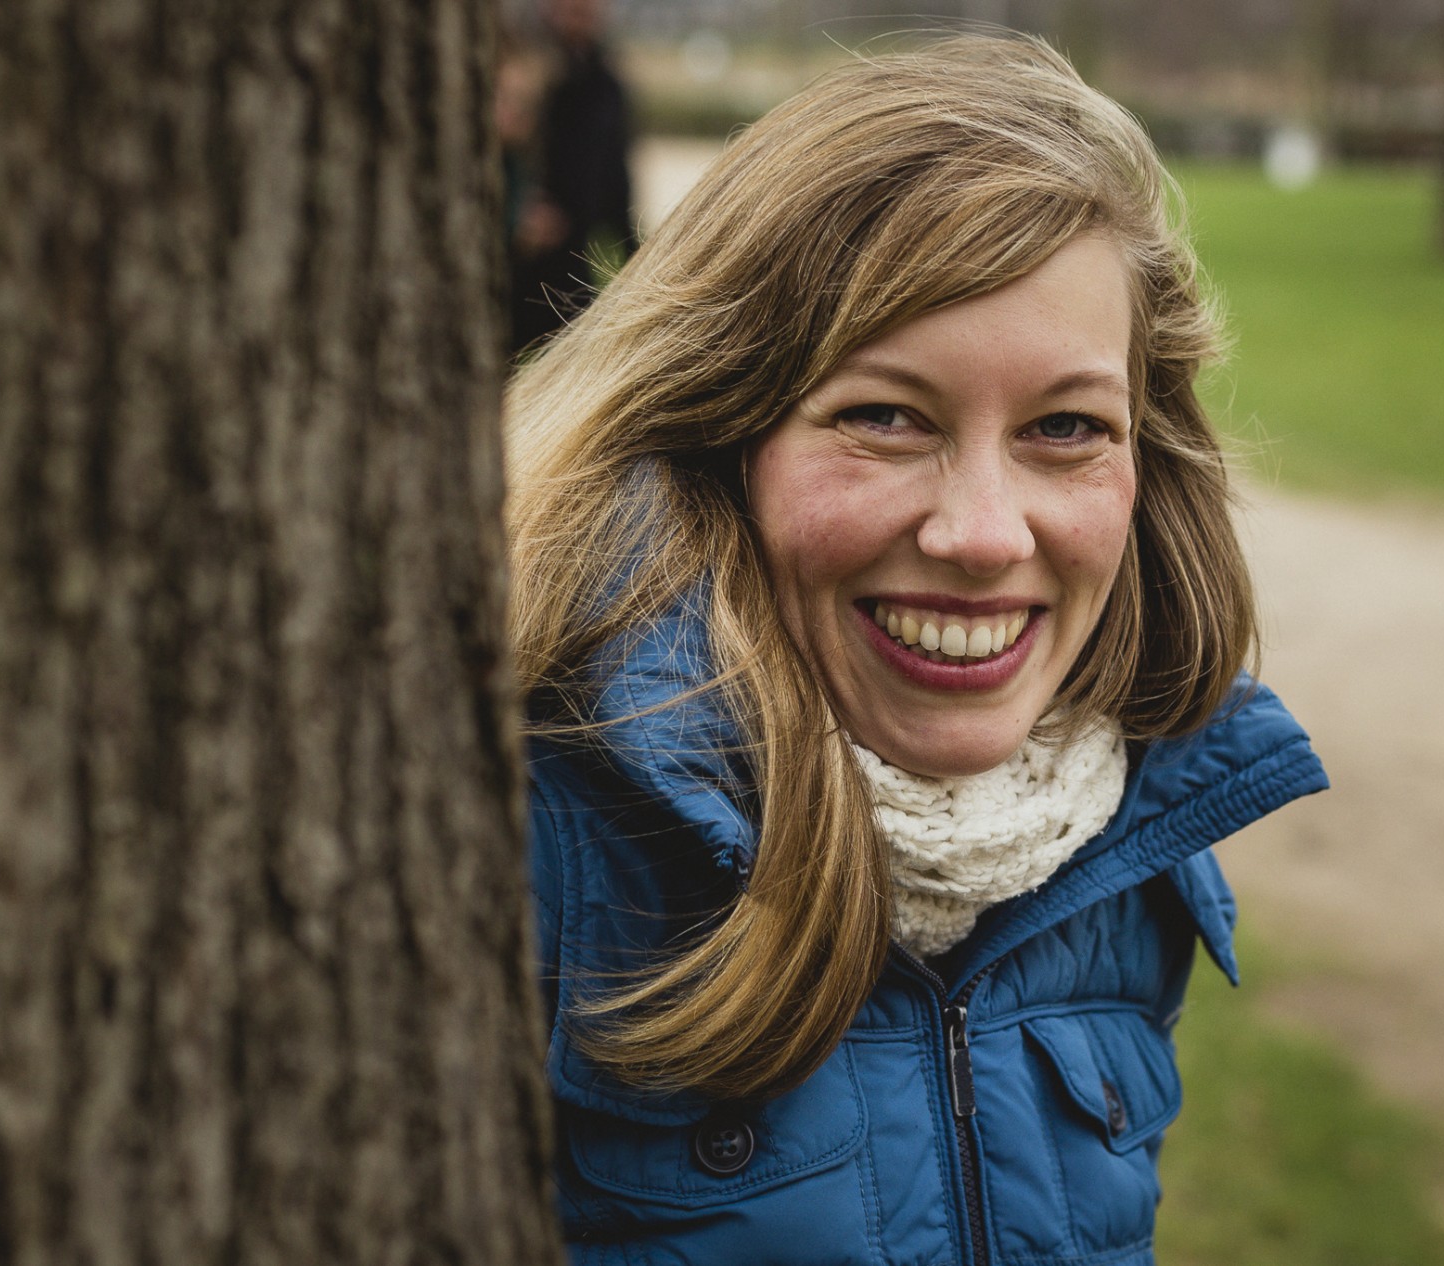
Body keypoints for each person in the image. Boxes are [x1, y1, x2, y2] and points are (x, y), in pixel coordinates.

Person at [504, 35, 1327, 1266]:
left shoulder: (1123, 830)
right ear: (721, 433)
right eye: (883, 417)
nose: (985, 536)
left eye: (1065, 426)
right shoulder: (530, 833)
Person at [509, 0, 635, 352]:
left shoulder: (606, 82)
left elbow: (616, 174)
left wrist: (633, 256)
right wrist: (515, 210)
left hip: (575, 256)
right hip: (521, 256)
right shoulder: (522, 69)